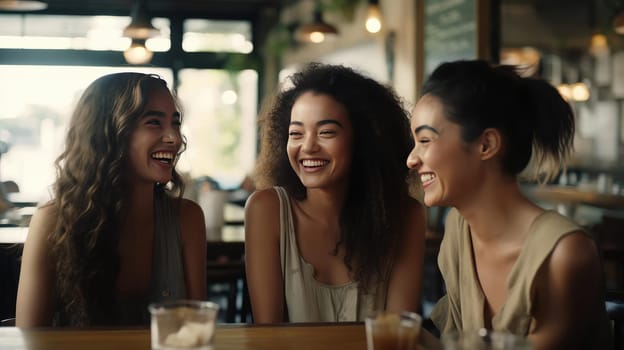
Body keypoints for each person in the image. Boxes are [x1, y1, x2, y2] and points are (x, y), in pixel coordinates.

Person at [406, 60, 611, 349]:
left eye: (425, 140)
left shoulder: (563, 253)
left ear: (486, 145)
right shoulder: (458, 229)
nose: (411, 159)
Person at [15, 72, 207, 327]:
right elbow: (29, 338)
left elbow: (197, 330)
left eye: (176, 123)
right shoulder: (52, 221)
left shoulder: (187, 218)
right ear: (108, 133)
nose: (174, 138)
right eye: (154, 122)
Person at [245, 63, 426, 323]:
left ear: (362, 139)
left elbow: (397, 334)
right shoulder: (267, 210)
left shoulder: (405, 216)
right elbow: (268, 333)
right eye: (296, 133)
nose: (307, 147)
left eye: (326, 132)